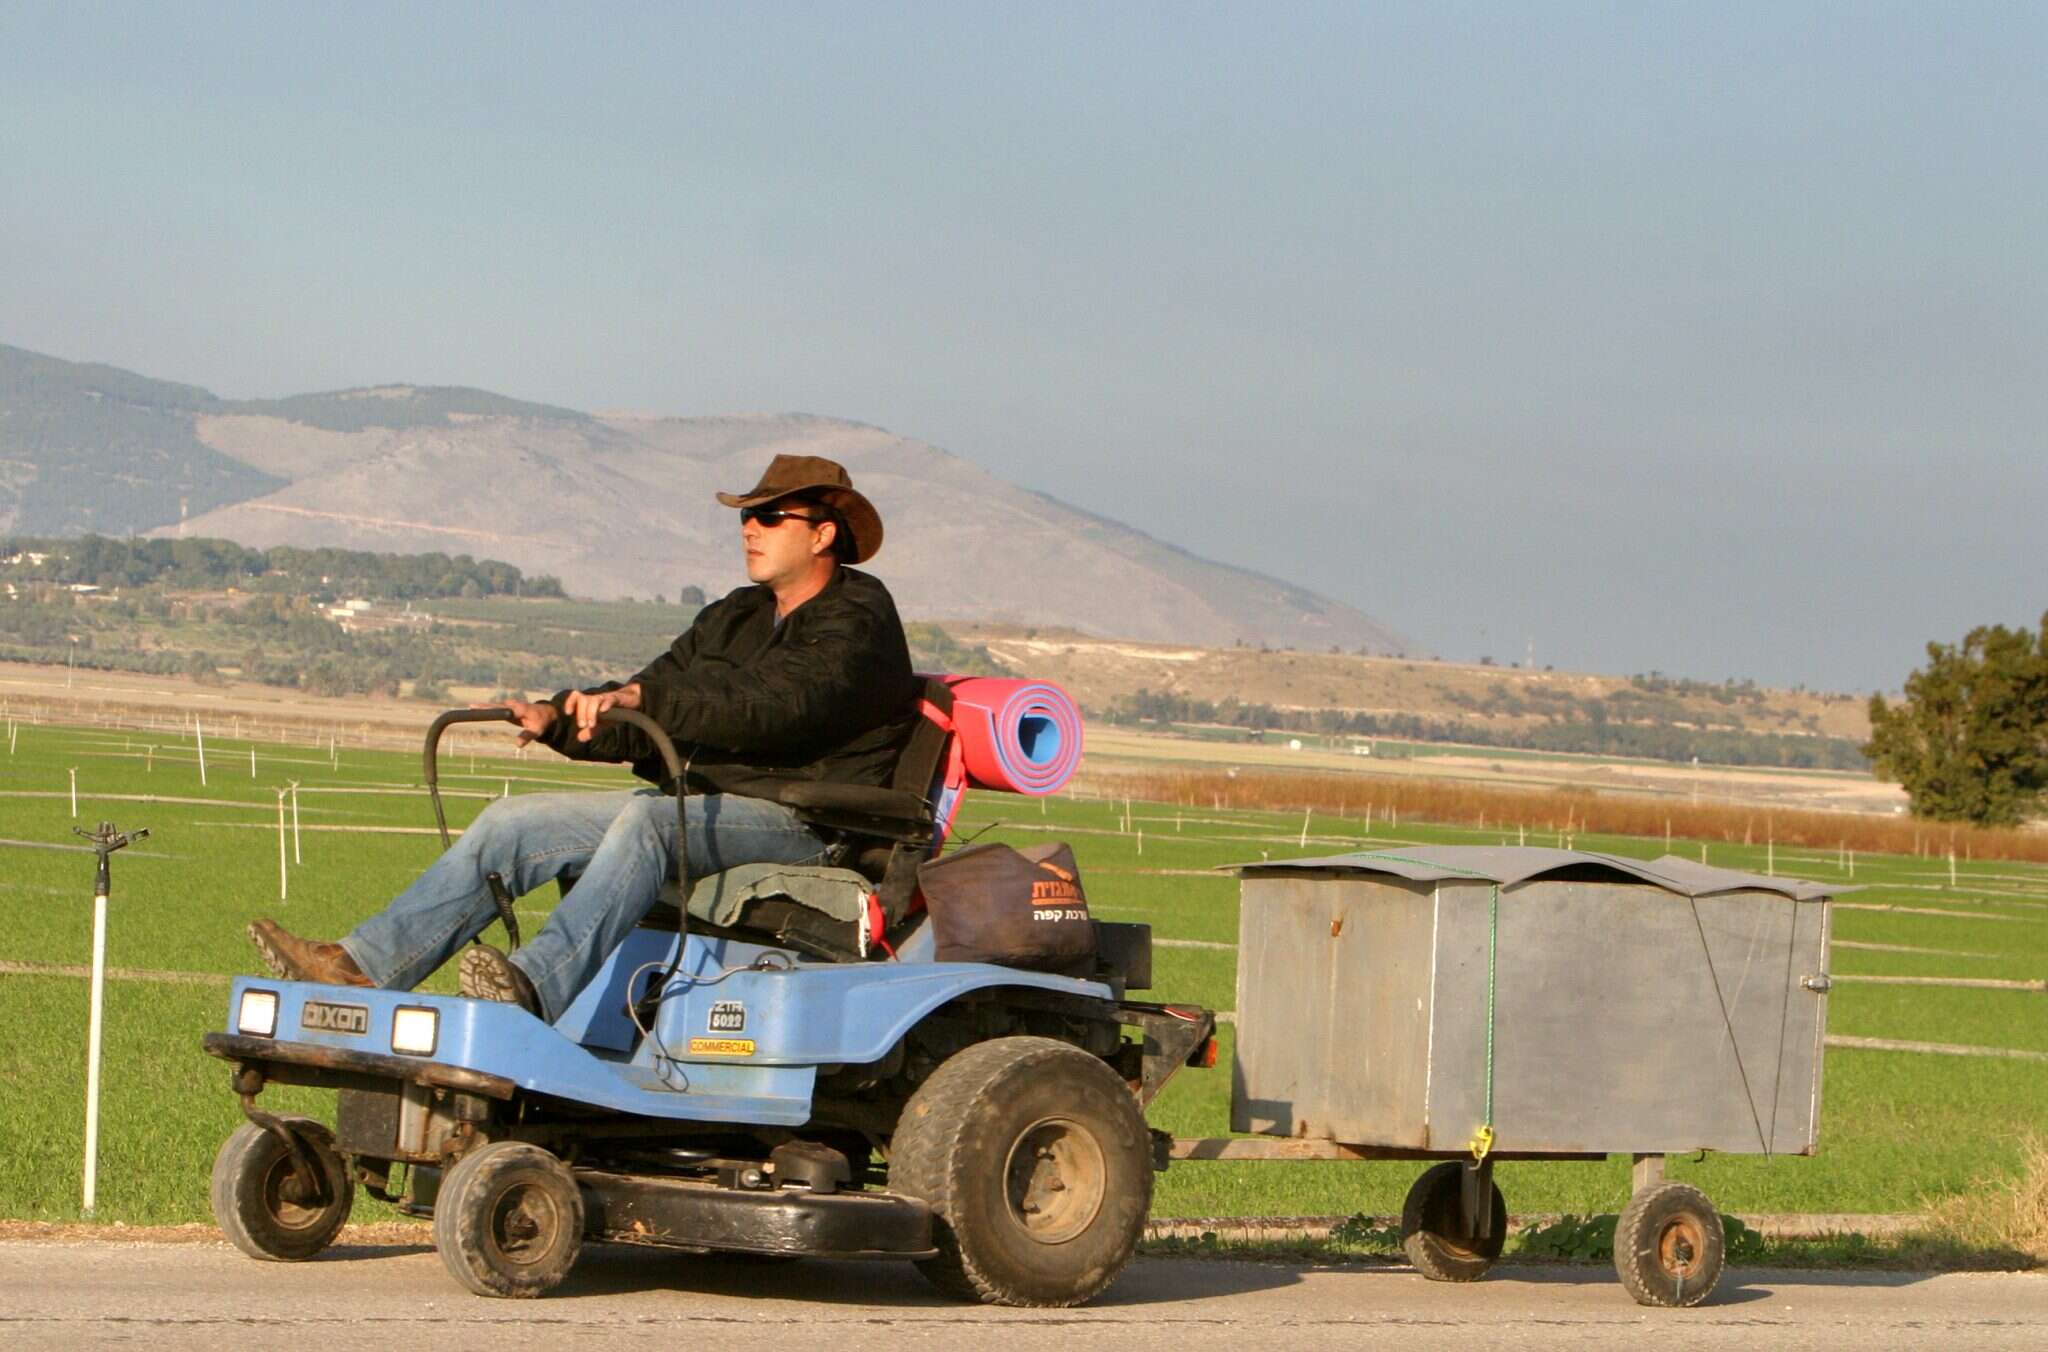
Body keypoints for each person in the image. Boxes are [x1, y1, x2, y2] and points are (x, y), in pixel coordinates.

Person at [248, 454, 919, 1020]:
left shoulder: (859, 619)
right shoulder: (734, 616)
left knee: (651, 822)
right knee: (514, 822)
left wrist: (646, 699)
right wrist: (559, 720)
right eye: (746, 515)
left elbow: (775, 706)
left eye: (769, 516)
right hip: (704, 806)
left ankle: (532, 989)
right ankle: (359, 968)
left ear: (823, 534)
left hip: (805, 821)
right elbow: (647, 709)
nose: (749, 528)